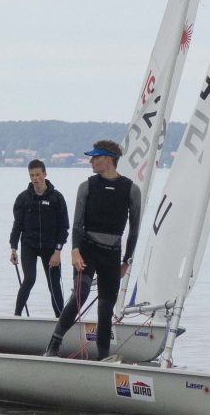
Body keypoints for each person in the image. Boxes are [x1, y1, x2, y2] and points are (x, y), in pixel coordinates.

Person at [44, 140, 141, 360]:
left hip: (112, 255)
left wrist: (126, 261)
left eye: (95, 157)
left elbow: (134, 229)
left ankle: (103, 357)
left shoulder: (131, 190)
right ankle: (53, 346)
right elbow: (77, 223)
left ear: (108, 159)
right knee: (80, 294)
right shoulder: (86, 186)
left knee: (106, 310)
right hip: (86, 250)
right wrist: (75, 250)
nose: (91, 161)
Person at [9, 159, 69, 317]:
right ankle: (16, 316)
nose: (35, 178)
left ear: (45, 174)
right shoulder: (23, 198)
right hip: (29, 245)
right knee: (29, 279)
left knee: (54, 284)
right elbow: (17, 225)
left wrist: (58, 251)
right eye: (31, 175)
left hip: (50, 247)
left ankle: (60, 319)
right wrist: (13, 248)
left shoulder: (57, 198)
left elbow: (64, 227)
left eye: (38, 174)